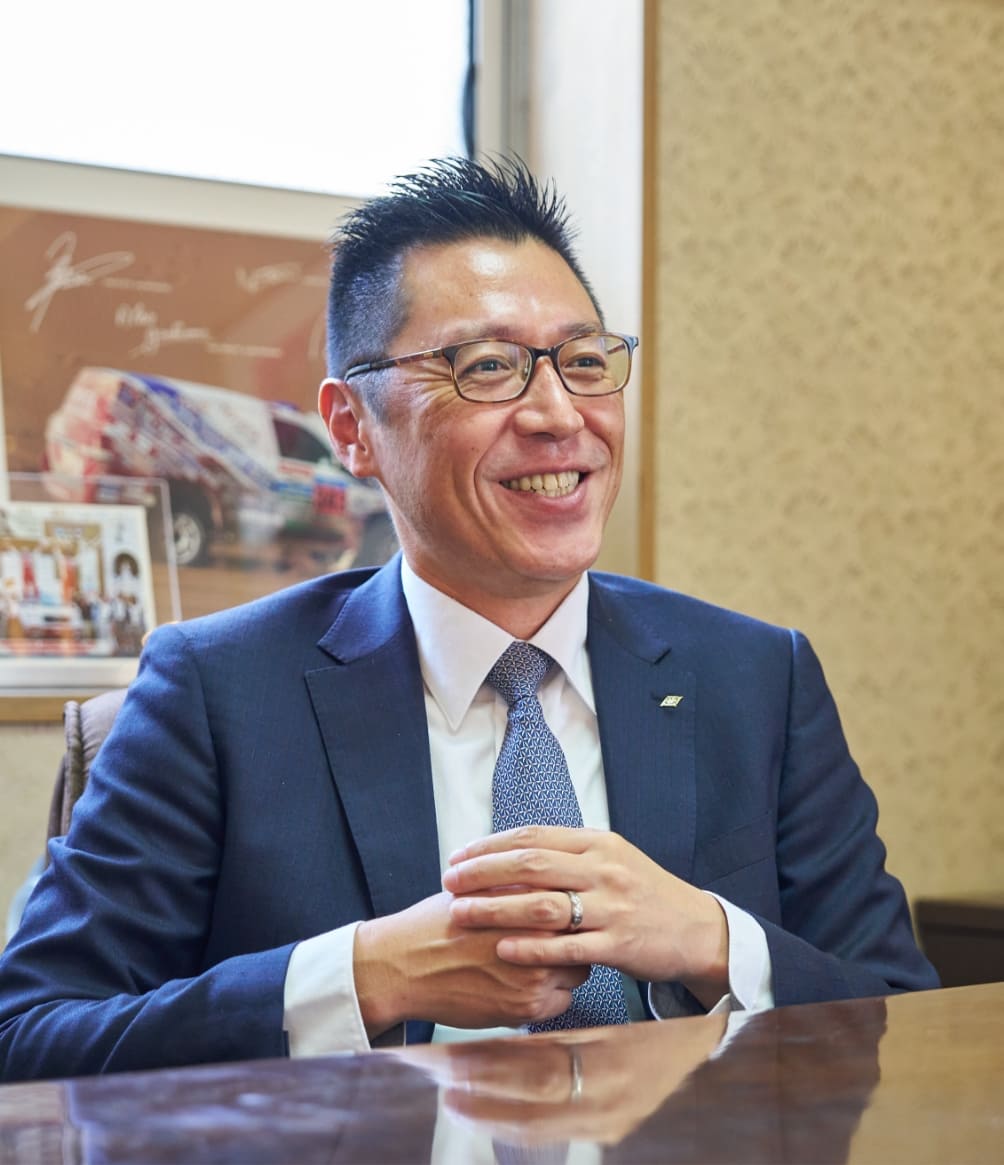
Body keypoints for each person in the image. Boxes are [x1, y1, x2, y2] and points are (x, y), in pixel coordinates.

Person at [0, 157, 937, 1081]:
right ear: (352, 427)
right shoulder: (218, 692)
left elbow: (911, 1015)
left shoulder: (758, 679)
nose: (559, 415)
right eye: (488, 367)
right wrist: (367, 975)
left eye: (583, 362)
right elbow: (30, 1035)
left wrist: (713, 938)